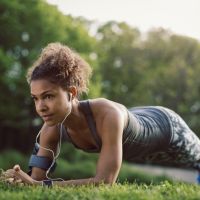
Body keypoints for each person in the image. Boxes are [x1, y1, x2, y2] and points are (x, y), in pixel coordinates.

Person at [4, 42, 200, 186]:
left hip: (167, 129)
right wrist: (17, 178)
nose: (40, 107)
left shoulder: (108, 115)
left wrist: (39, 186)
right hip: (136, 122)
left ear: (72, 93)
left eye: (48, 96)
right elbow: (35, 180)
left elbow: (105, 182)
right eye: (35, 98)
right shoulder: (51, 128)